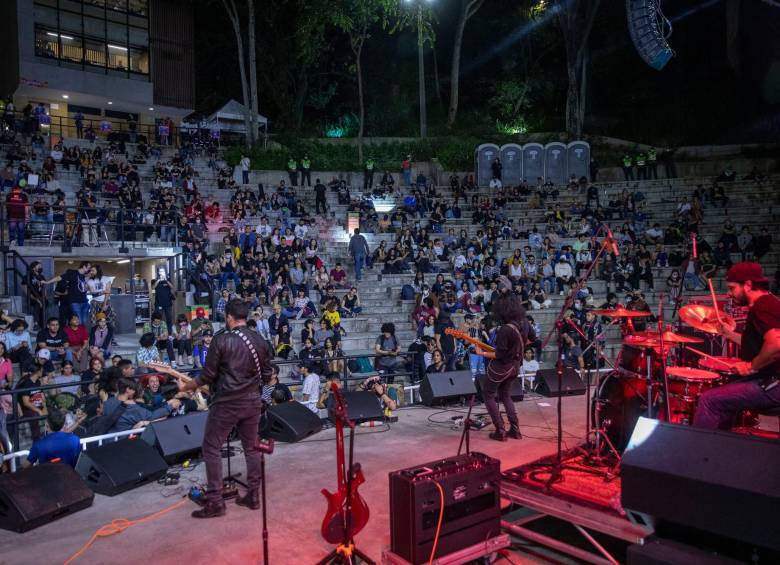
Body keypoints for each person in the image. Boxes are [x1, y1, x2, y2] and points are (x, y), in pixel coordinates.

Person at [173, 299, 273, 518]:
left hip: (227, 403)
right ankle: (254, 495)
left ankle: (216, 501)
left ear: (228, 317)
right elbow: (267, 376)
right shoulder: (261, 340)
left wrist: (186, 386)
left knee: (211, 447)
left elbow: (207, 376)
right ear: (245, 316)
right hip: (253, 402)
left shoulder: (222, 341)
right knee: (252, 447)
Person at [693, 263, 780, 429]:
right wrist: (729, 335)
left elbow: (776, 343)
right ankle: (722, 446)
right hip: (769, 379)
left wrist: (751, 367)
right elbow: (758, 345)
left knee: (709, 400)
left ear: (747, 285)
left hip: (773, 384)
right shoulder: (767, 303)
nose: (728, 293)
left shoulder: (763, 306)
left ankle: (698, 453)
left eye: (732, 288)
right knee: (725, 392)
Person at [473, 293, 526, 441]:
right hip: (515, 366)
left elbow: (499, 354)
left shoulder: (504, 329)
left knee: (488, 394)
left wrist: (481, 353)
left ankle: (500, 430)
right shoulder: (521, 324)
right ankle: (515, 430)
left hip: (502, 367)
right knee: (505, 395)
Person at [61, 261, 91, 327]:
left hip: (84, 301)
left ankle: (83, 335)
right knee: (79, 321)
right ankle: (78, 335)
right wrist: (47, 282)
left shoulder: (84, 277)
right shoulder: (73, 273)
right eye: (88, 267)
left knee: (84, 321)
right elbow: (60, 277)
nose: (89, 269)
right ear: (84, 266)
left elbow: (86, 289)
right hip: (75, 302)